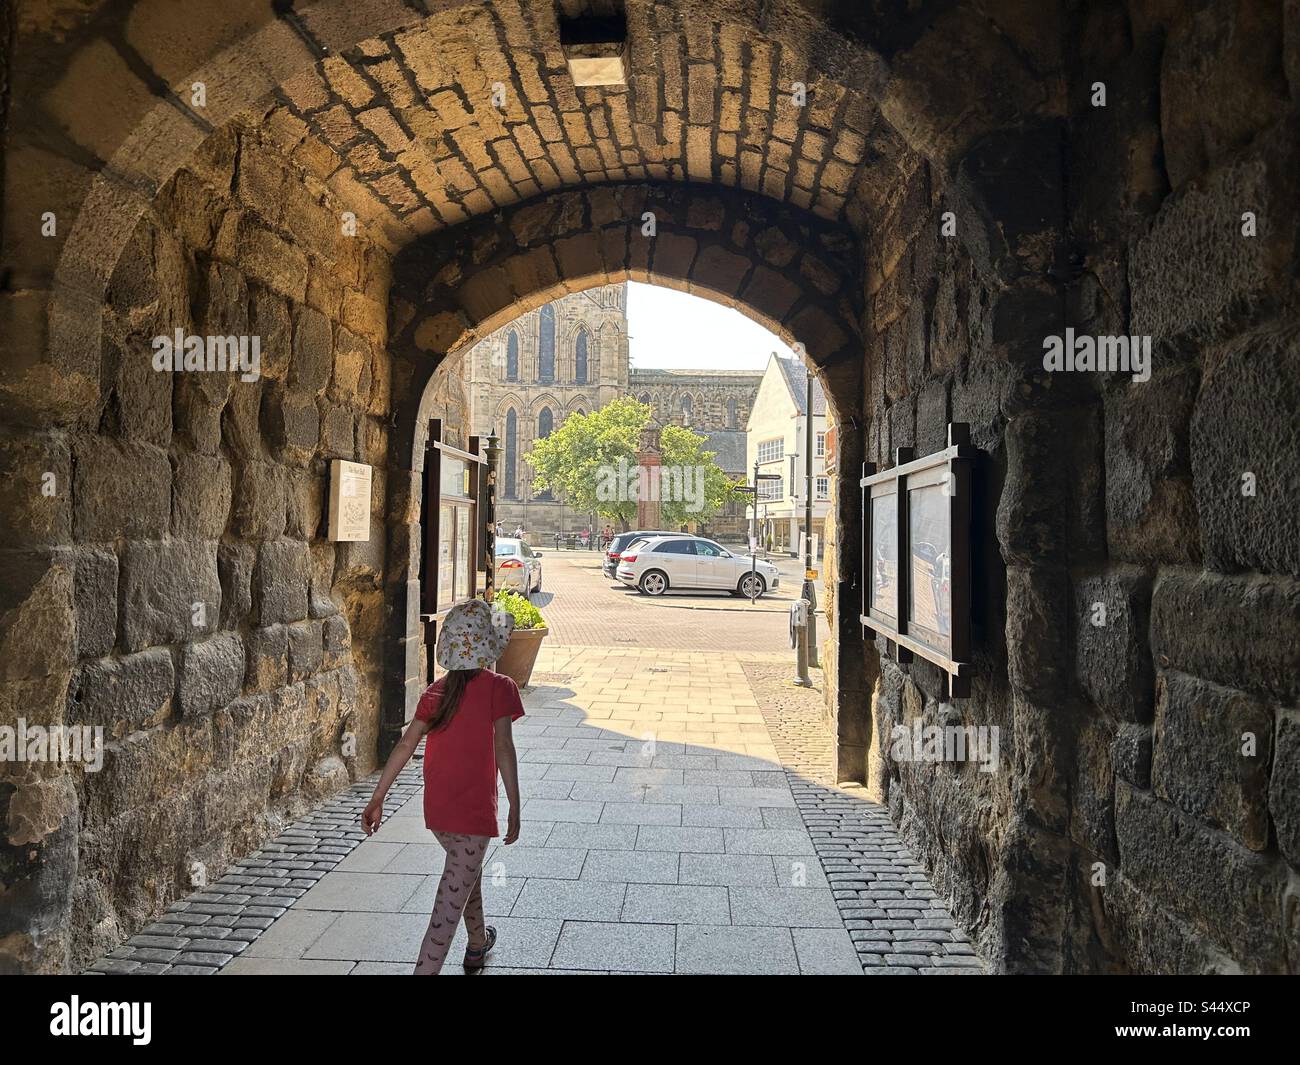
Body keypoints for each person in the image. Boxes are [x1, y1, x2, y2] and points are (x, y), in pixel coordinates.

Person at [361, 598, 523, 974]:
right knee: (445, 912)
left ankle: (478, 944)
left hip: (439, 814)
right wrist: (514, 804)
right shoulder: (500, 688)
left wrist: (377, 797)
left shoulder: (436, 692)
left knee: (465, 872)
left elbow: (405, 745)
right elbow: (504, 746)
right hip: (474, 812)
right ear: (488, 647)